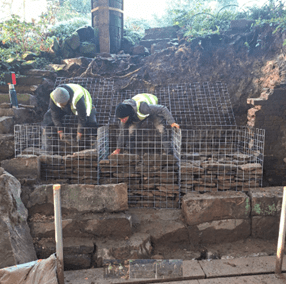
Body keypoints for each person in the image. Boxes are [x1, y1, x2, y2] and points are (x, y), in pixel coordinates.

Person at [112, 93, 179, 155]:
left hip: (150, 109)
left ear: (128, 115)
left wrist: (172, 122)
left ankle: (169, 152)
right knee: (131, 131)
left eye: (123, 118)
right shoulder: (123, 115)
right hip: (137, 116)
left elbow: (163, 108)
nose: (122, 121)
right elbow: (122, 132)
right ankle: (128, 152)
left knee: (161, 129)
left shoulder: (142, 108)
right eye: (120, 119)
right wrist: (118, 149)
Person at [41, 83, 97, 150]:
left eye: (63, 103)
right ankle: (46, 146)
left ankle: (92, 142)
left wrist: (79, 132)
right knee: (48, 117)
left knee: (91, 121)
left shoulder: (77, 97)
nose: (62, 105)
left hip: (83, 104)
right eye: (60, 104)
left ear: (68, 99)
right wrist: (60, 131)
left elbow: (82, 117)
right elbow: (55, 116)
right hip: (66, 106)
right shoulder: (53, 96)